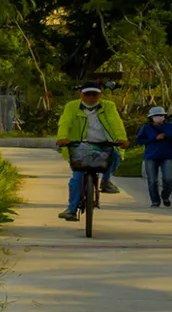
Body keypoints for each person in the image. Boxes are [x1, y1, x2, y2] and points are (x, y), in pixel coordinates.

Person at [55, 82, 128, 221]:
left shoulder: (109, 106)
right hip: (80, 146)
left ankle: (105, 182)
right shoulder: (71, 106)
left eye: (94, 94)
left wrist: (122, 138)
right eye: (87, 94)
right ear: (81, 94)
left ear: (100, 95)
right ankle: (71, 209)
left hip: (104, 144)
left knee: (115, 156)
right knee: (76, 178)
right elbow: (65, 122)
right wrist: (62, 138)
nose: (91, 97)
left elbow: (116, 122)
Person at [133, 105, 172, 207]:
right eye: (156, 115)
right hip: (151, 157)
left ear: (164, 116)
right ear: (151, 117)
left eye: (161, 115)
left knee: (168, 179)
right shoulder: (146, 128)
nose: (158, 117)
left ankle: (165, 196)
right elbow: (139, 140)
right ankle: (155, 201)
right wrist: (154, 138)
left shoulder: (171, 127)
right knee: (152, 180)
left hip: (167, 156)